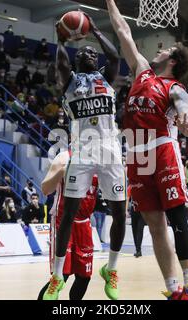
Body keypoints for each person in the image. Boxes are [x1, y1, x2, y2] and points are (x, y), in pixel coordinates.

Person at [107, 0, 188, 300]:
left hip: (162, 151)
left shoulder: (173, 86)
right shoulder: (142, 72)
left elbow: (183, 104)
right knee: (155, 226)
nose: (158, 49)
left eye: (165, 49)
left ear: (172, 61)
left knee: (176, 220)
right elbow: (123, 31)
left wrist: (187, 116)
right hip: (136, 156)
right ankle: (174, 291)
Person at [42, 13, 126, 301]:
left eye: (93, 52)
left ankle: (111, 270)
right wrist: (61, 39)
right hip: (82, 150)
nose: (90, 53)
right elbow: (62, 63)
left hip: (110, 150)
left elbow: (114, 57)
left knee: (119, 212)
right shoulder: (70, 81)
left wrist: (94, 32)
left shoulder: (106, 77)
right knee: (68, 213)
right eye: (85, 52)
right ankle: (56, 277)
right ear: (78, 62)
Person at [38, 151, 97, 300]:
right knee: (61, 276)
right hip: (63, 222)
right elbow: (45, 189)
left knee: (84, 276)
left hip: (84, 223)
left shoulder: (102, 159)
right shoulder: (64, 157)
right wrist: (63, 171)